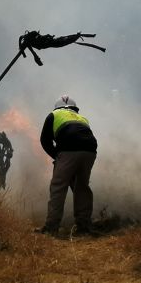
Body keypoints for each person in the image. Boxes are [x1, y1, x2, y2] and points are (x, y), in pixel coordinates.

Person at [37, 95, 98, 236]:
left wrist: (56, 157)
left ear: (57, 107)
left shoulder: (54, 114)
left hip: (69, 149)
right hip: (90, 151)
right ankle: (84, 228)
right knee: (82, 187)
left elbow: (45, 140)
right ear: (74, 108)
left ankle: (51, 228)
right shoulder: (81, 118)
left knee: (59, 187)